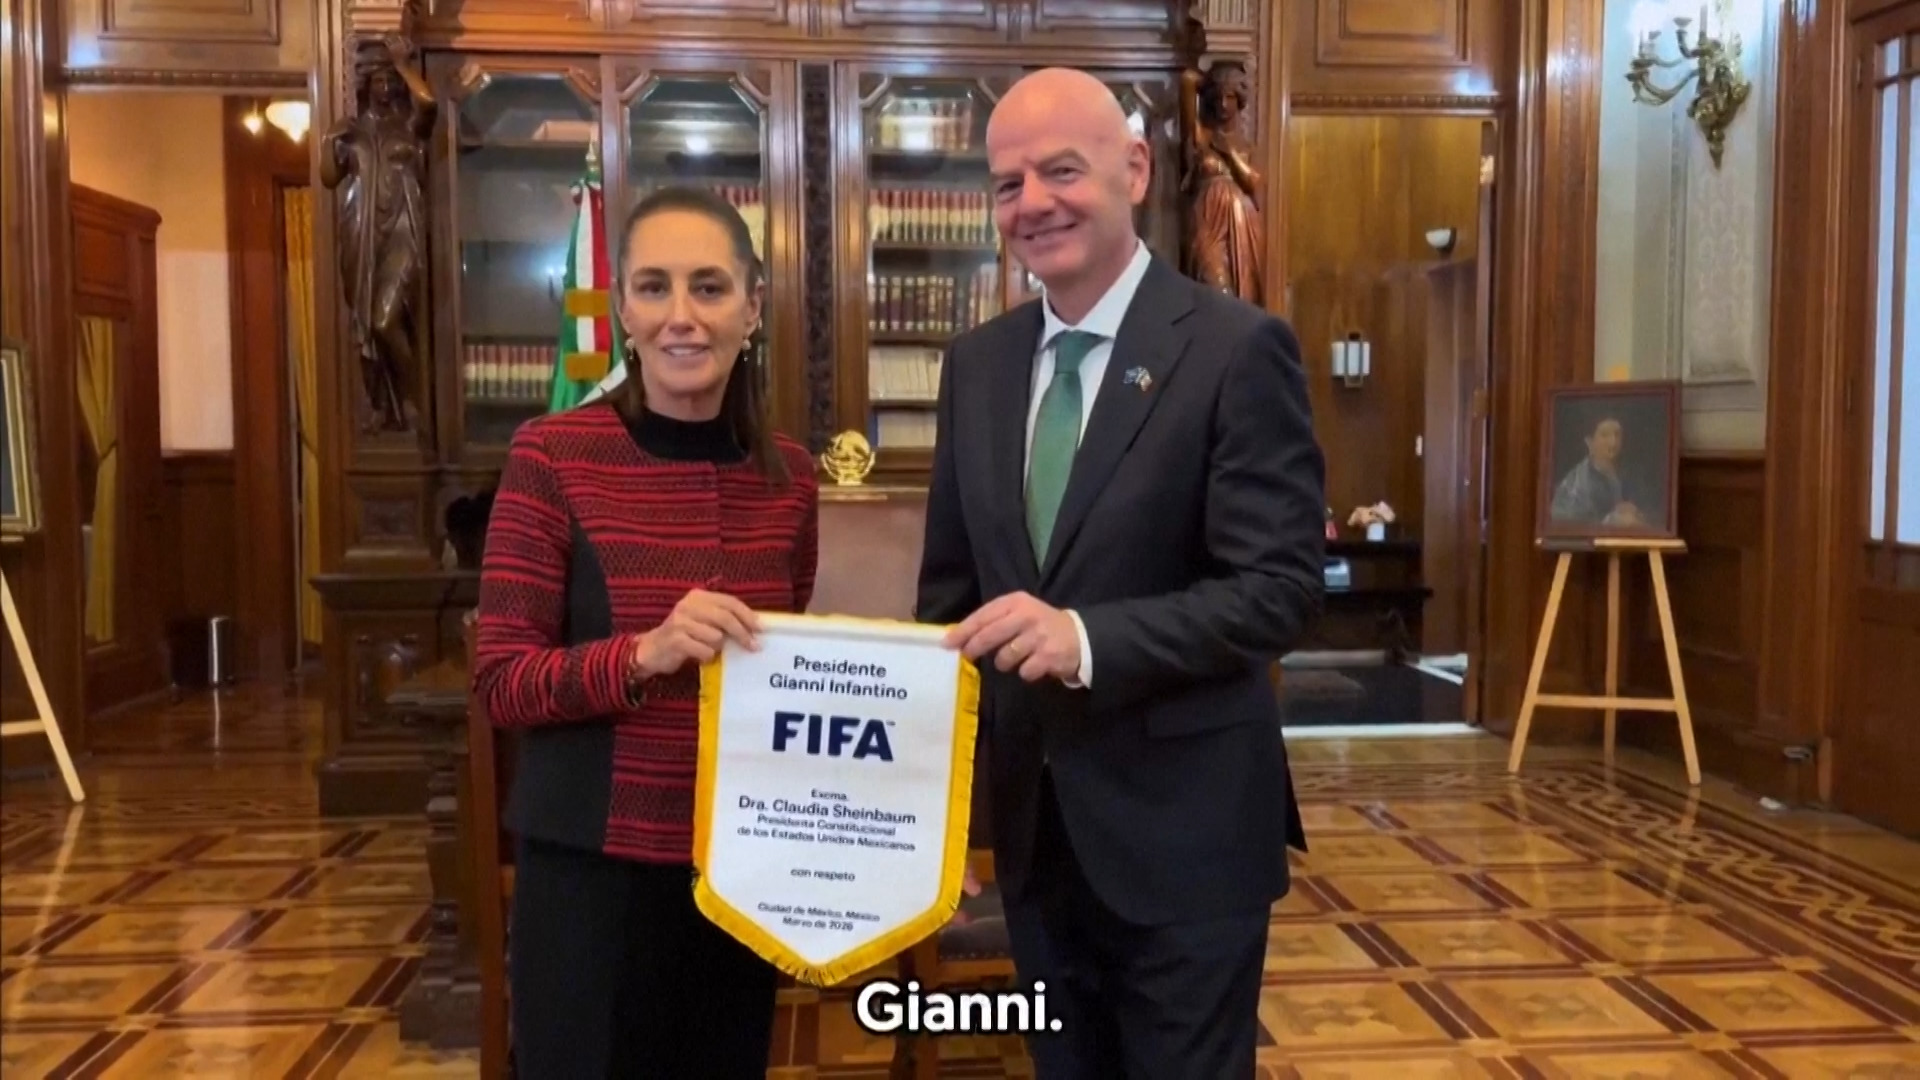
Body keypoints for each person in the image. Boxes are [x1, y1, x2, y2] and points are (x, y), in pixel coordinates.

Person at [916, 67, 1325, 1077]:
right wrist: (937, 824)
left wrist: (1085, 640)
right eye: (1007, 184)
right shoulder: (976, 366)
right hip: (1036, 842)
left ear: (1135, 170)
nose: (1033, 203)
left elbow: (1277, 590)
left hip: (1188, 840)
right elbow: (950, 608)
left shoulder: (1237, 349)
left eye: (1062, 171)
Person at [471, 185, 819, 1078]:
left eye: (709, 287)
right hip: (590, 872)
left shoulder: (790, 478)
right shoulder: (552, 455)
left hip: (734, 869)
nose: (681, 316)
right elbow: (502, 681)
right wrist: (643, 655)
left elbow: (791, 682)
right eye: (654, 287)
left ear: (753, 306)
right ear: (622, 309)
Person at [1550, 415, 1649, 527]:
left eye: (1617, 434)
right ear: (1589, 442)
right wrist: (1612, 521)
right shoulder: (1578, 481)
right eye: (1605, 435)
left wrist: (1636, 511)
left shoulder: (1631, 472)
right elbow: (1565, 521)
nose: (1613, 442)